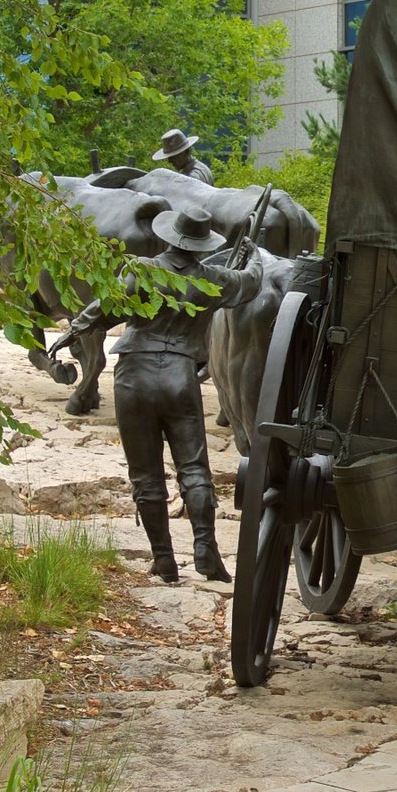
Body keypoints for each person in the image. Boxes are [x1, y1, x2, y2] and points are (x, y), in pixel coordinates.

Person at [109, 204, 254, 582]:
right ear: (203, 243)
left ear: (170, 235)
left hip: (133, 375)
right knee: (193, 468)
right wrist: (251, 255)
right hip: (180, 376)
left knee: (146, 473)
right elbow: (250, 281)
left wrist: (74, 328)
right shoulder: (214, 280)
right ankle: (206, 550)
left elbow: (106, 307)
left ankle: (164, 559)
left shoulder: (140, 268)